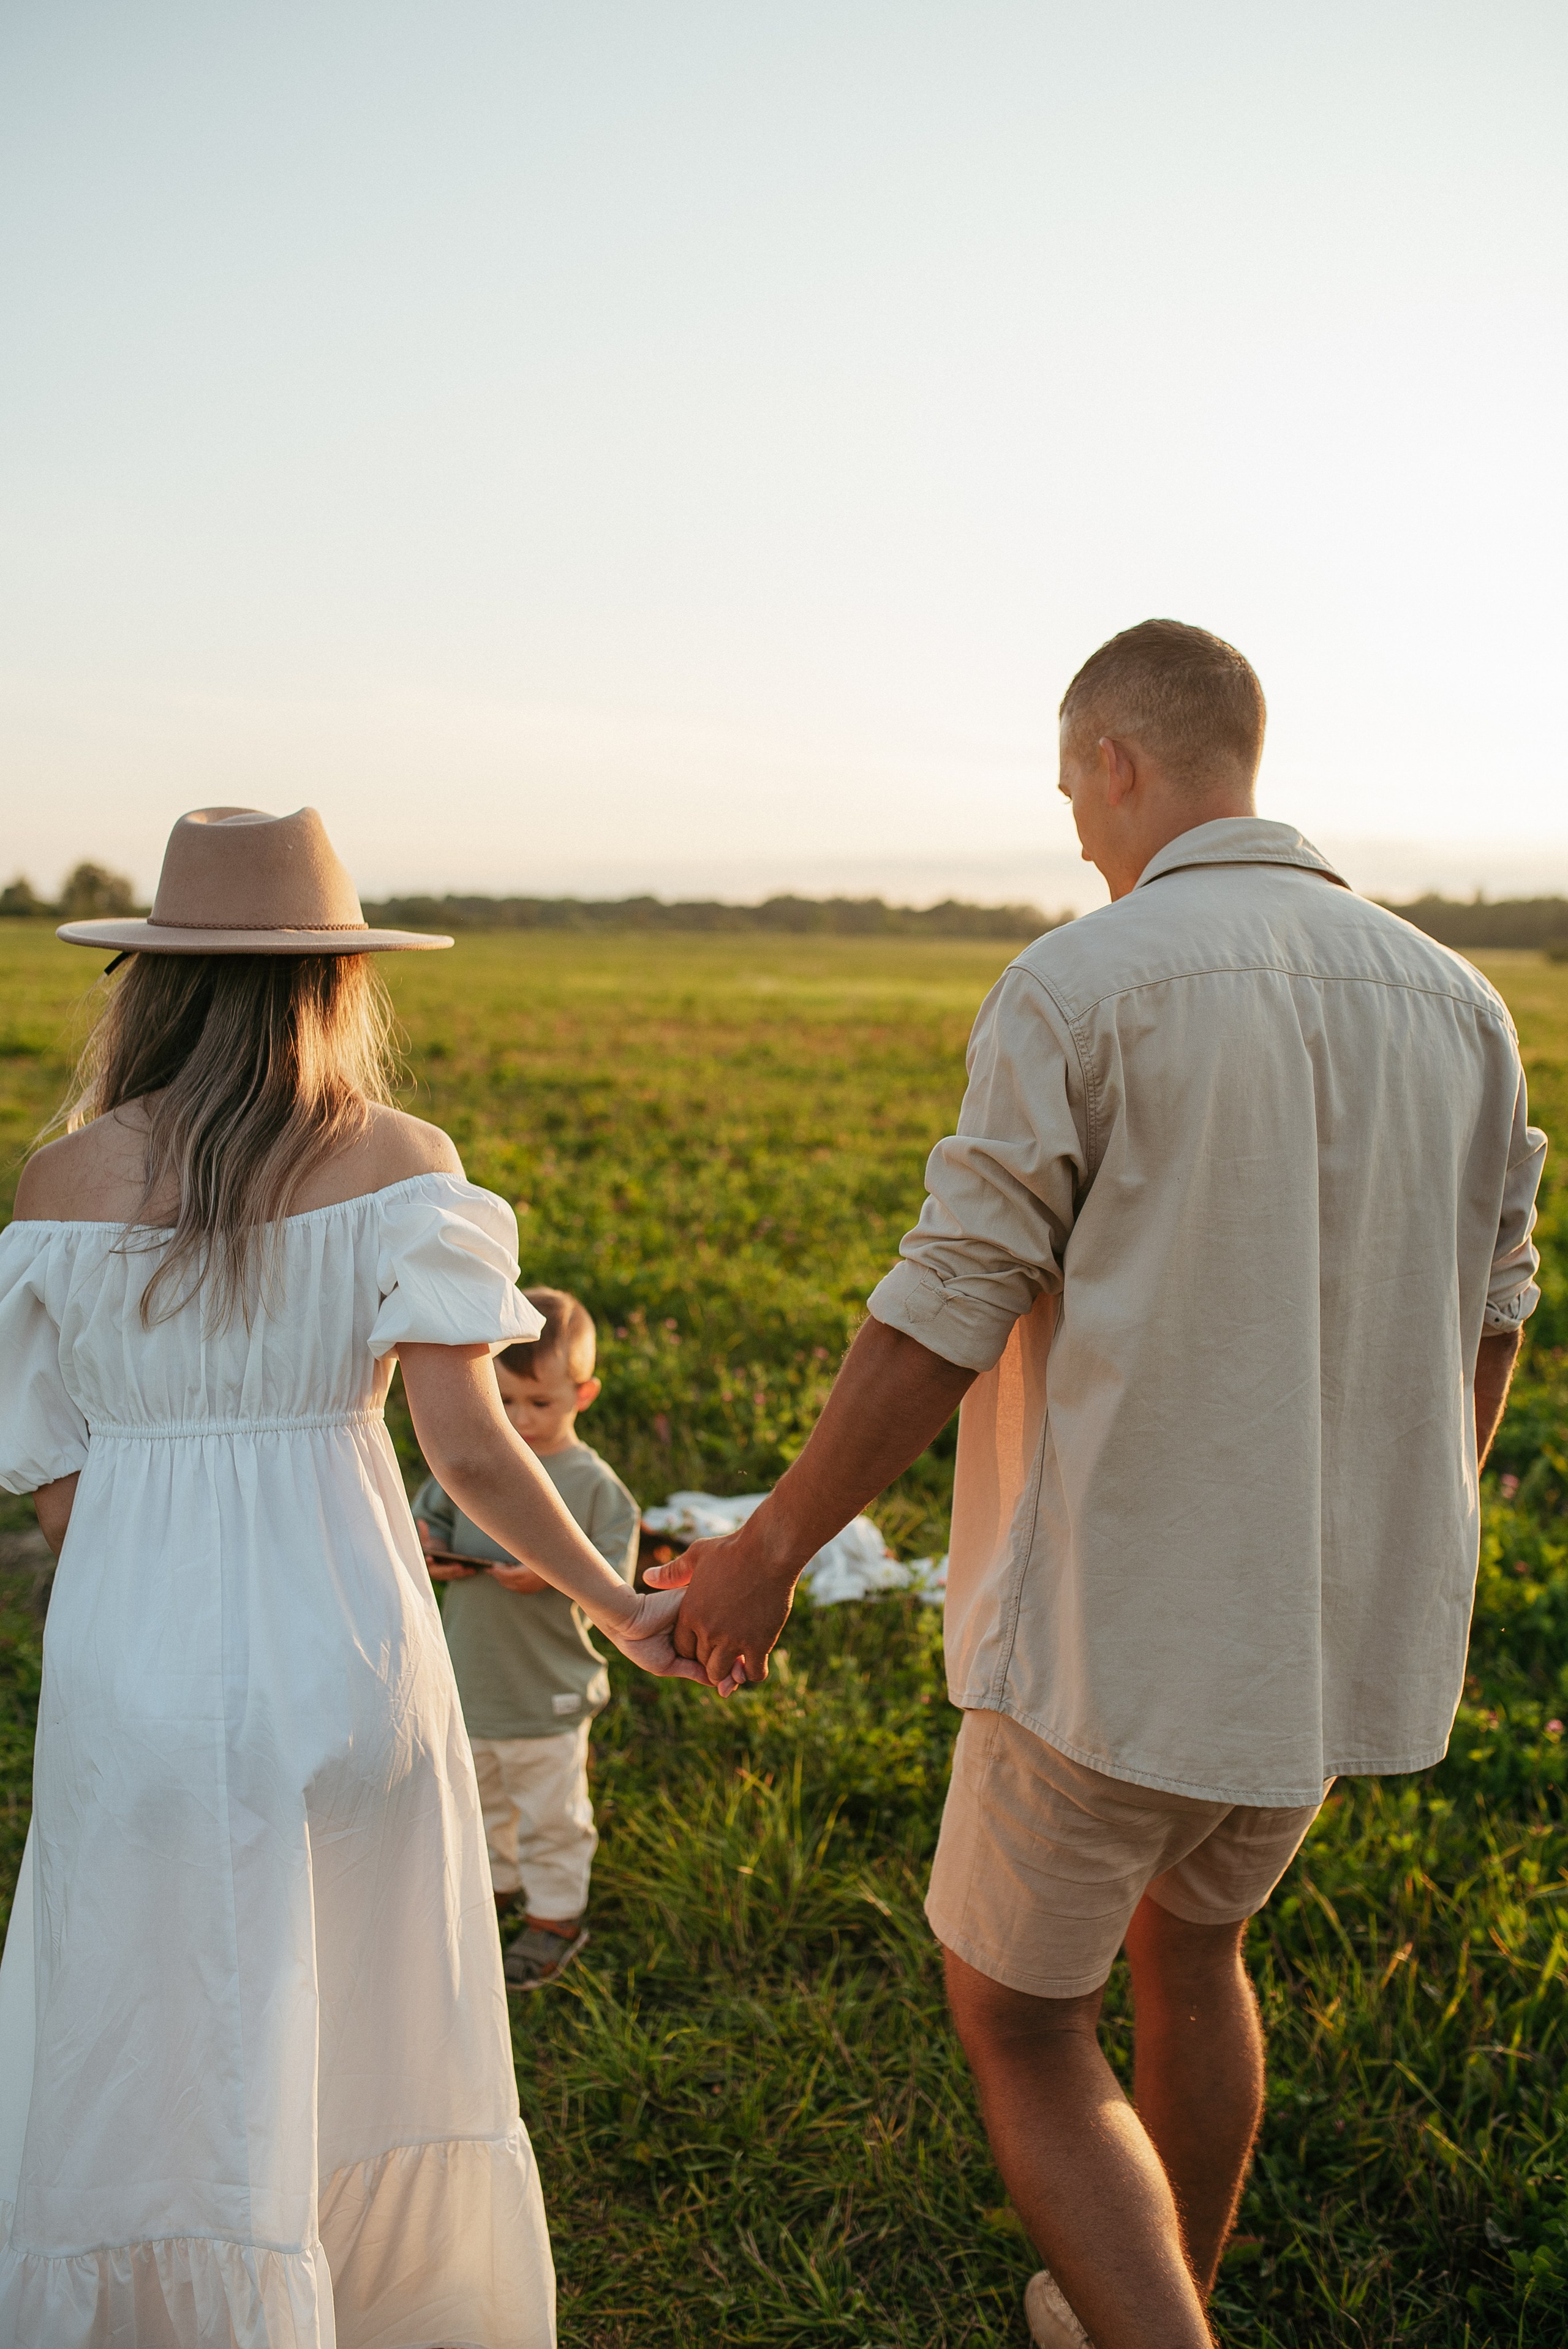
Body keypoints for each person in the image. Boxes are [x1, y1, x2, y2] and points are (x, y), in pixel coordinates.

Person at [652, 620, 1546, 2349]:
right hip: (1325, 1638)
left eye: (1074, 786)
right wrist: (1387, 1535)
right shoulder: (1467, 1003)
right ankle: (1143, 2299)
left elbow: (944, 1305)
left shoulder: (1085, 977)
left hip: (1107, 1633)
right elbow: (1493, 1317)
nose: (1073, 826)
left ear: (1121, 762)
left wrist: (766, 1545)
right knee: (1194, 1951)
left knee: (1020, 2017)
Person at [0, 805, 703, 2349]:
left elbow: (58, 1484)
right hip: (348, 1649)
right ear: (335, 977)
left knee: (150, 2009)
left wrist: (136, 1611)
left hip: (138, 1659)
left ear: (148, 979)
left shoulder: (58, 1186)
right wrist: (619, 1602)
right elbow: (471, 1451)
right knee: (370, 2010)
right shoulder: (402, 1162)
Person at [414, 1288, 638, 1992]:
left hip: (547, 1687)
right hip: (473, 1679)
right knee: (481, 1798)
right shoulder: (471, 1465)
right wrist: (433, 1552)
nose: (519, 1420)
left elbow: (614, 1586)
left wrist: (552, 1573)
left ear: (585, 1393)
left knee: (549, 1810)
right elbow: (427, 1523)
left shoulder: (596, 1488)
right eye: (504, 1402)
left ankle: (555, 1916)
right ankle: (500, 1886)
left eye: (539, 1404)